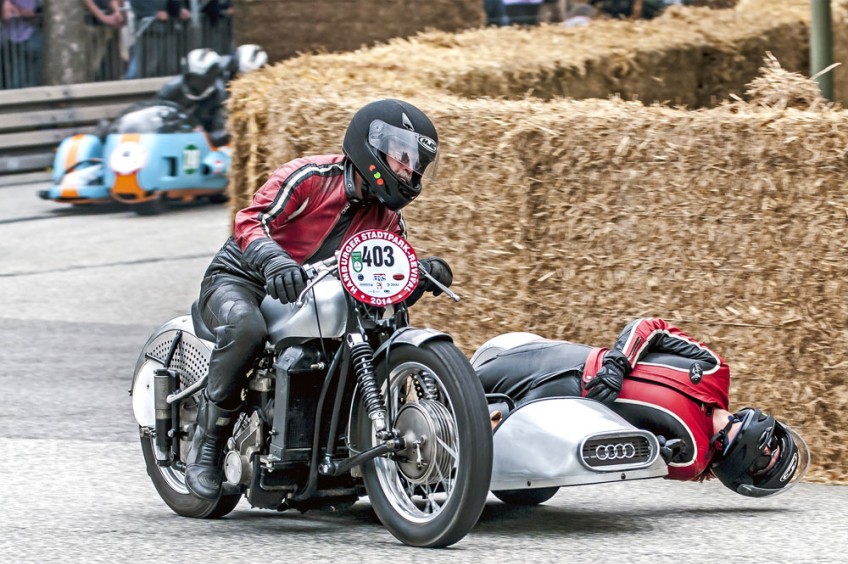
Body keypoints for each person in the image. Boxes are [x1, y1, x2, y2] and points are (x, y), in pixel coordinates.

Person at [185, 99, 453, 500]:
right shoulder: (310, 177)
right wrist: (274, 261)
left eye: (415, 164)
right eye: (402, 158)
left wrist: (422, 272)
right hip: (244, 277)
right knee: (246, 327)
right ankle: (207, 443)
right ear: (371, 147)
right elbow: (249, 219)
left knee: (382, 325)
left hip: (311, 290)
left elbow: (391, 267)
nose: (408, 171)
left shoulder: (387, 217)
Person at [473, 317, 810, 497]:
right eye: (773, 447)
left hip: (562, 411)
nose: (768, 446)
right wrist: (617, 364)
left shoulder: (692, 457)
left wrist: (659, 449)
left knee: (474, 428)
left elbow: (640, 454)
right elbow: (651, 327)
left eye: (768, 455)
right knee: (467, 376)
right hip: (574, 357)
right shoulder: (714, 370)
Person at [156, 47, 228, 145]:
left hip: (202, 146)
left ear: (213, 77)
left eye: (202, 80)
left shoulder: (219, 96)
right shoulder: (171, 89)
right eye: (192, 78)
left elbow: (221, 132)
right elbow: (156, 117)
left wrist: (198, 138)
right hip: (173, 140)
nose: (195, 84)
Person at [0, 0, 42, 89]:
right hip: (9, 44)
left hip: (33, 39)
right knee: (13, 83)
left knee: (31, 82)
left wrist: (29, 15)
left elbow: (50, 17)